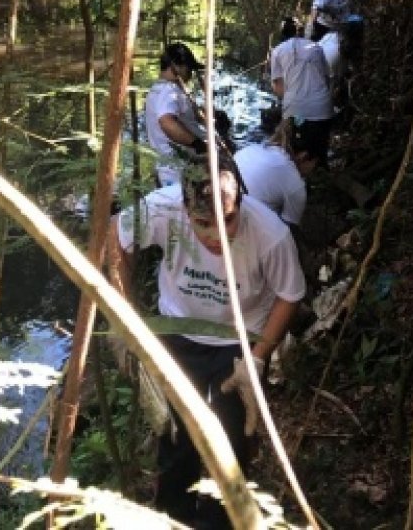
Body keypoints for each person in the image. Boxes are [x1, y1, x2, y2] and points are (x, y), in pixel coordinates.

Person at [108, 153, 305, 528]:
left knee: (231, 443)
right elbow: (116, 234)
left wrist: (259, 357)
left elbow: (289, 294)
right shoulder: (163, 210)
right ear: (185, 210)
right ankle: (173, 518)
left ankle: (222, 520)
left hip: (239, 340)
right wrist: (122, 318)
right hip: (178, 332)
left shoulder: (270, 233)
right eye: (203, 223)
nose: (217, 236)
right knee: (175, 436)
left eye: (227, 220)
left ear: (240, 204)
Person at [269, 17, 335, 166]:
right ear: (301, 31)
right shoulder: (315, 47)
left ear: (282, 33)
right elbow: (327, 78)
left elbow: (278, 88)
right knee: (319, 155)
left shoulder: (277, 51)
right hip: (322, 107)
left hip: (296, 110)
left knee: (295, 158)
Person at [232, 116, 315, 230]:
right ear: (304, 156)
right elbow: (288, 228)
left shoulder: (251, 149)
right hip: (242, 223)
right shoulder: (296, 186)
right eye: (314, 164)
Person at [144, 42, 209, 186]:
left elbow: (179, 117)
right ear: (175, 66)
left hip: (170, 167)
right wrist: (197, 143)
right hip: (176, 171)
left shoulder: (158, 89)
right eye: (189, 68)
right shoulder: (168, 90)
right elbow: (166, 122)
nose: (191, 74)